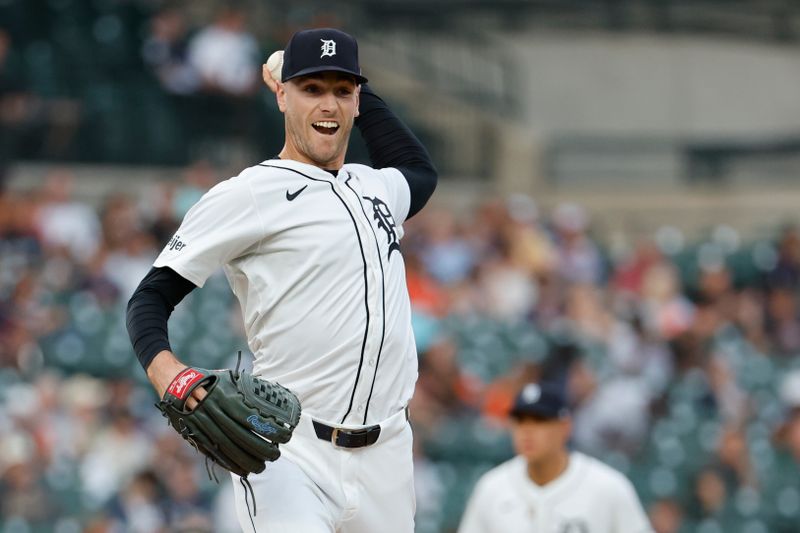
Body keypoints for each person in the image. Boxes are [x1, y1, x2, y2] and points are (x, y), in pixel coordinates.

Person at [126, 27, 437, 533]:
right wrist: (171, 377)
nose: (329, 106)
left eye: (342, 90)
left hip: (389, 456)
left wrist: (365, 91)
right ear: (281, 94)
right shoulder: (250, 193)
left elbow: (419, 171)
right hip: (290, 452)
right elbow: (150, 298)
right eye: (312, 89)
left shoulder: (374, 186)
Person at [458, 382, 653, 533]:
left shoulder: (608, 487)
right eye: (520, 420)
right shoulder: (491, 487)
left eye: (539, 421)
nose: (527, 431)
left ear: (565, 426)